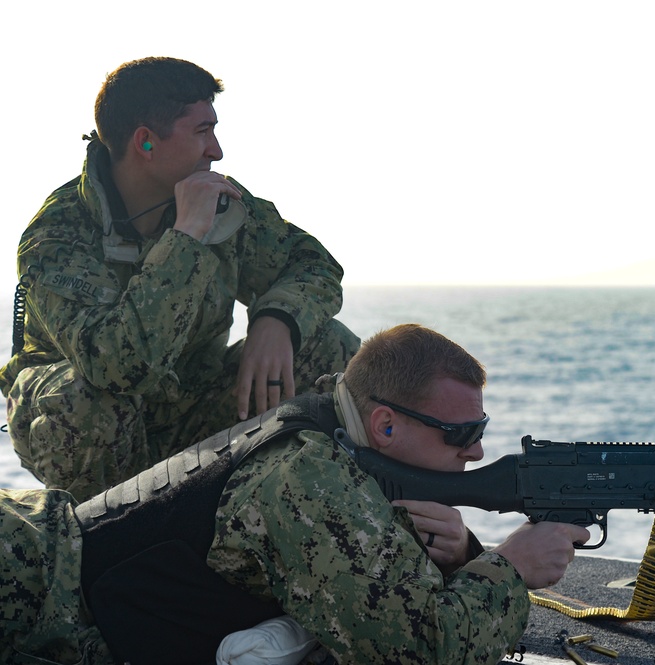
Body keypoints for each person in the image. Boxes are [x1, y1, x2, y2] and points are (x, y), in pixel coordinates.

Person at [0, 324, 589, 664]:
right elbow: (415, 652)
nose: (477, 452)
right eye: (460, 434)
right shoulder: (309, 480)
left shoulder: (326, 427)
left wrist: (465, 555)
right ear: (384, 425)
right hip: (32, 597)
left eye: (480, 431)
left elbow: (374, 567)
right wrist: (508, 571)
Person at [0, 56, 360, 500]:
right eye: (202, 131)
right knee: (85, 398)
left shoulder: (219, 200)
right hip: (88, 427)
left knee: (329, 345)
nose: (217, 150)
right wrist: (186, 236)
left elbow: (313, 263)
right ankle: (107, 543)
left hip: (188, 403)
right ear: (146, 143)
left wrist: (277, 320)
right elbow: (115, 368)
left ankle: (292, 506)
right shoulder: (57, 235)